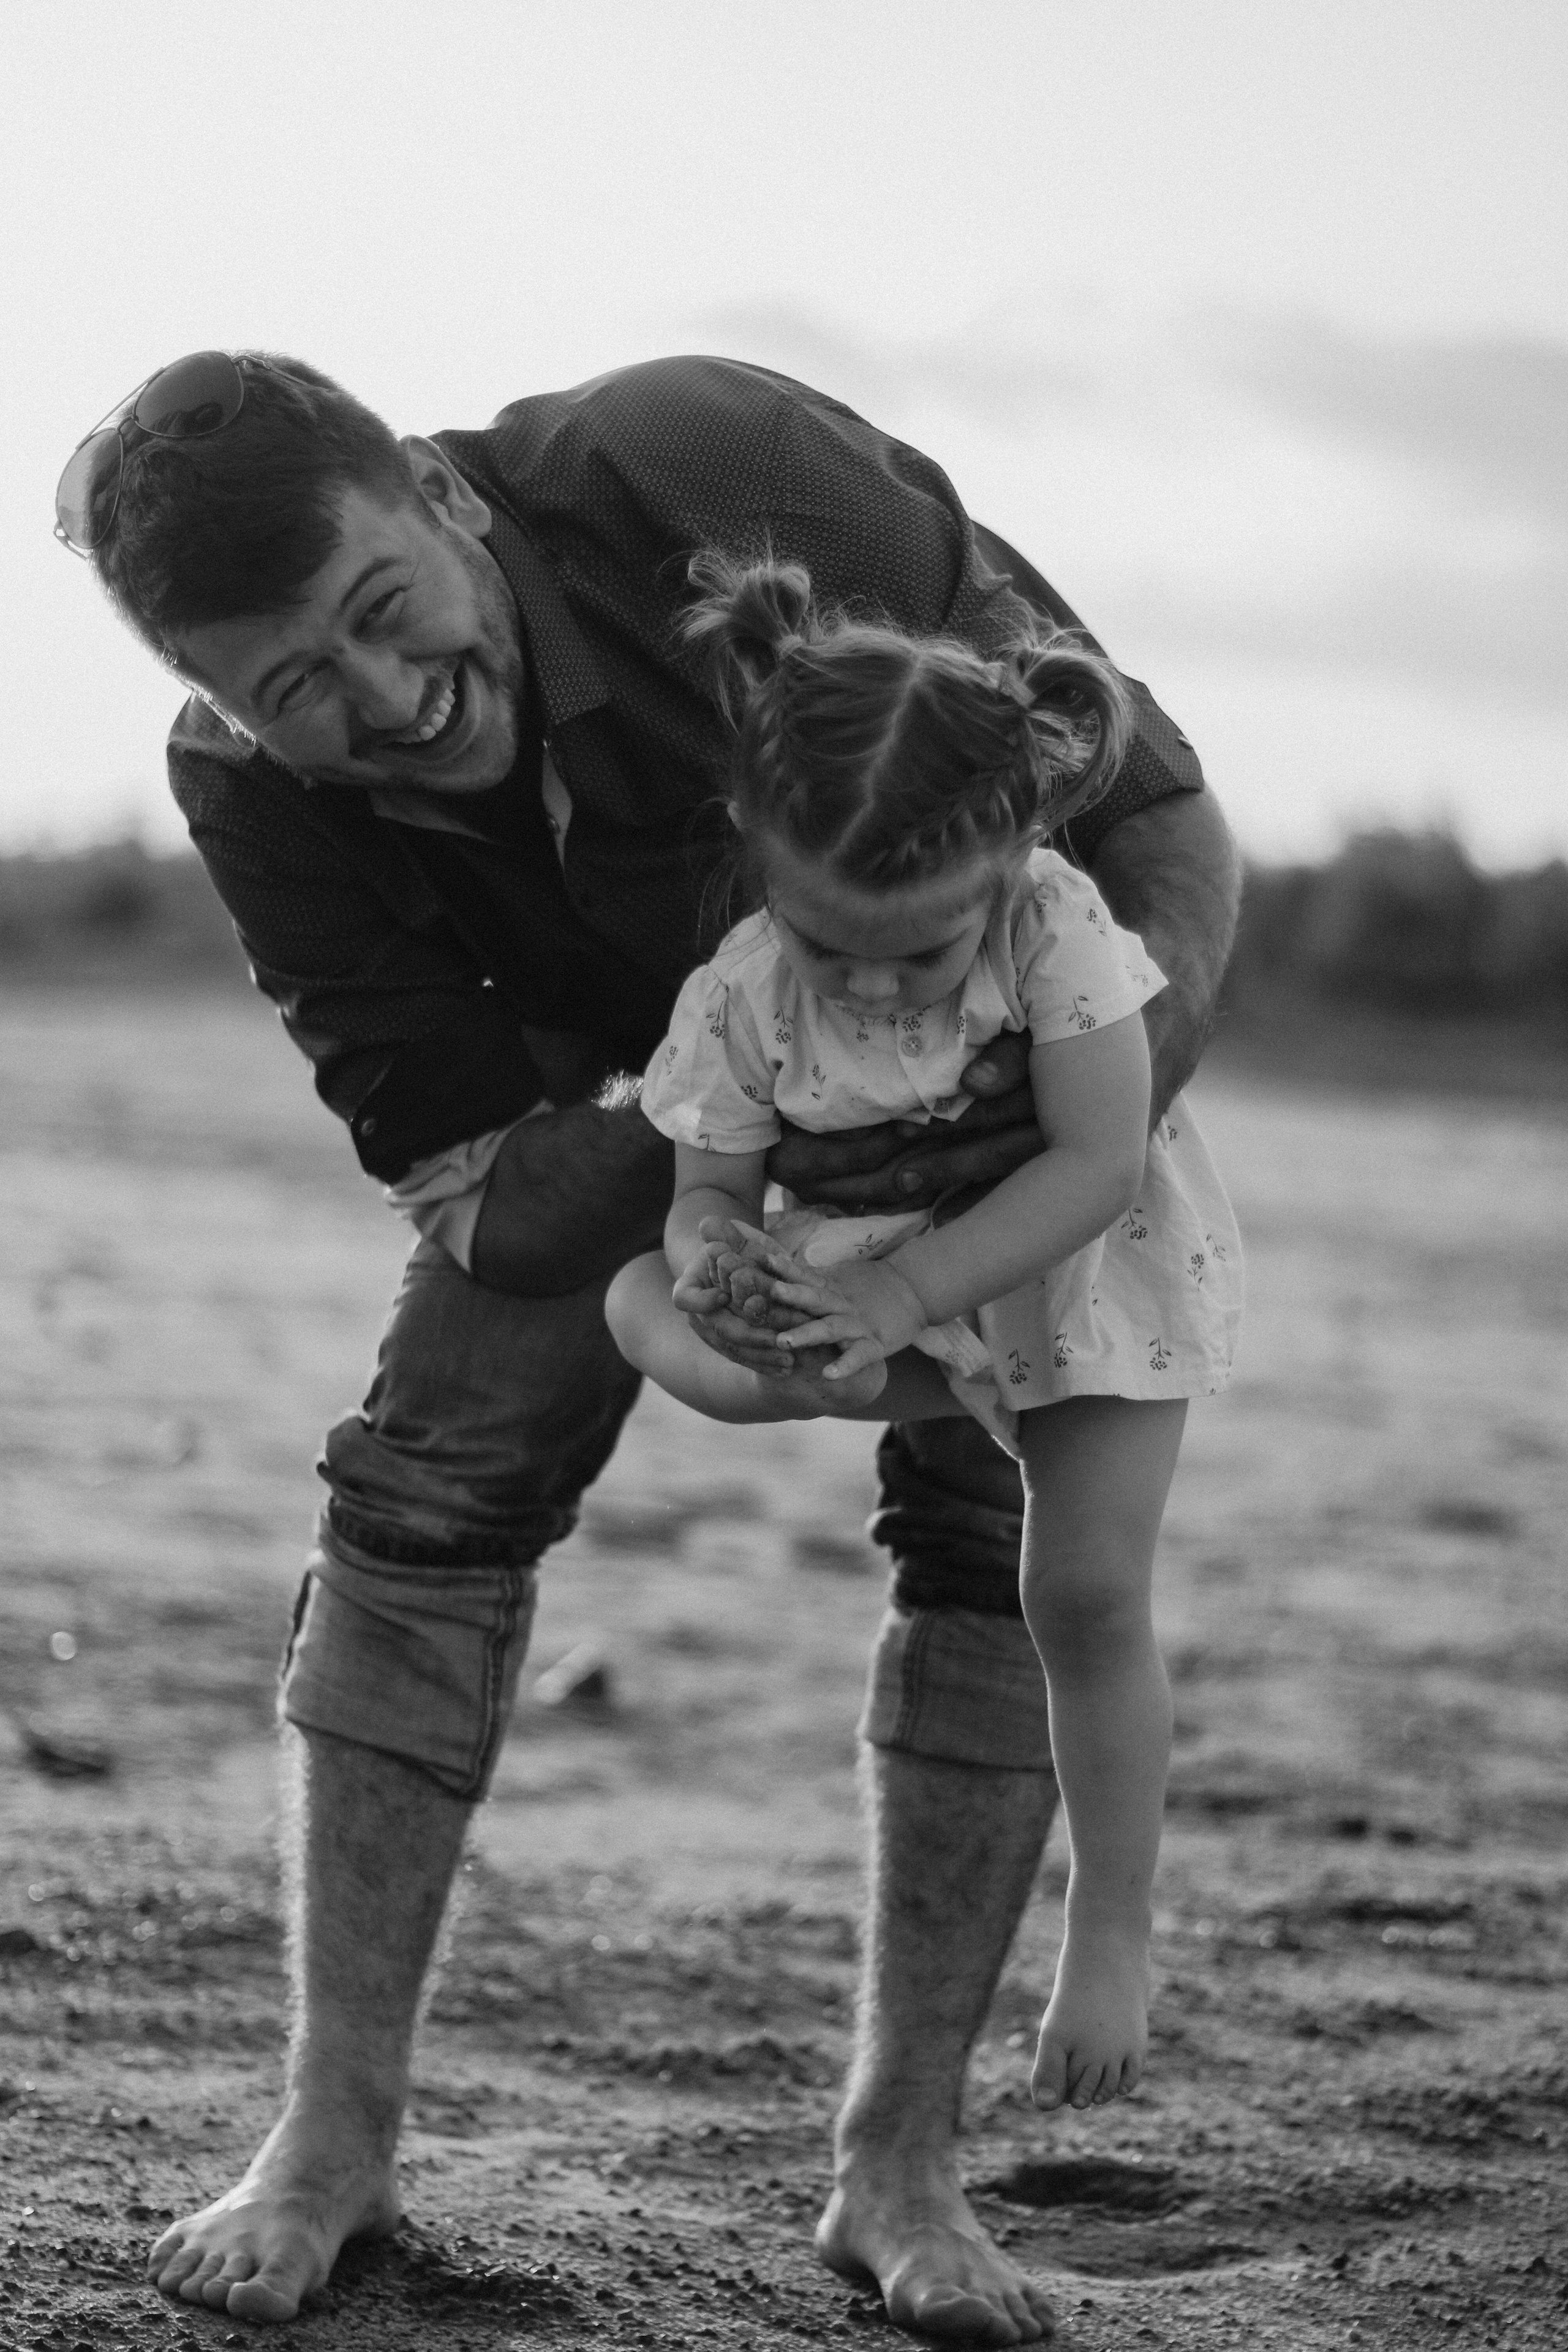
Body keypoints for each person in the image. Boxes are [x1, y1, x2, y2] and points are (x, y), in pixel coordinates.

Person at [54, 347, 1243, 2344]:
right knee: (427, 1467)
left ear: (440, 501)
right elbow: (477, 1184)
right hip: (661, 1110)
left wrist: (1024, 1157)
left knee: (998, 1521)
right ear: (226, 711)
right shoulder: (248, 785)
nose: (377, 699)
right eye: (296, 689)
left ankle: (904, 2173)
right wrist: (723, 1187)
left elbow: (1161, 817)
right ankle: (327, 2149)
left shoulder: (713, 466)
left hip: (994, 1062)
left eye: (378, 612)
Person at [607, 551, 1242, 2112]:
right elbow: (711, 1188)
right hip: (870, 1283)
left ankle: (1107, 1924)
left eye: (920, 951)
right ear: (758, 859)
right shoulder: (746, 992)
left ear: (1016, 855)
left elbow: (1095, 1163)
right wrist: (710, 1266)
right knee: (739, 1365)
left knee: (1082, 1591)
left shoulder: (1055, 929)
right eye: (835, 950)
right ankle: (651, 1331)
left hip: (1072, 1271)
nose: (876, 985)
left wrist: (897, 1292)